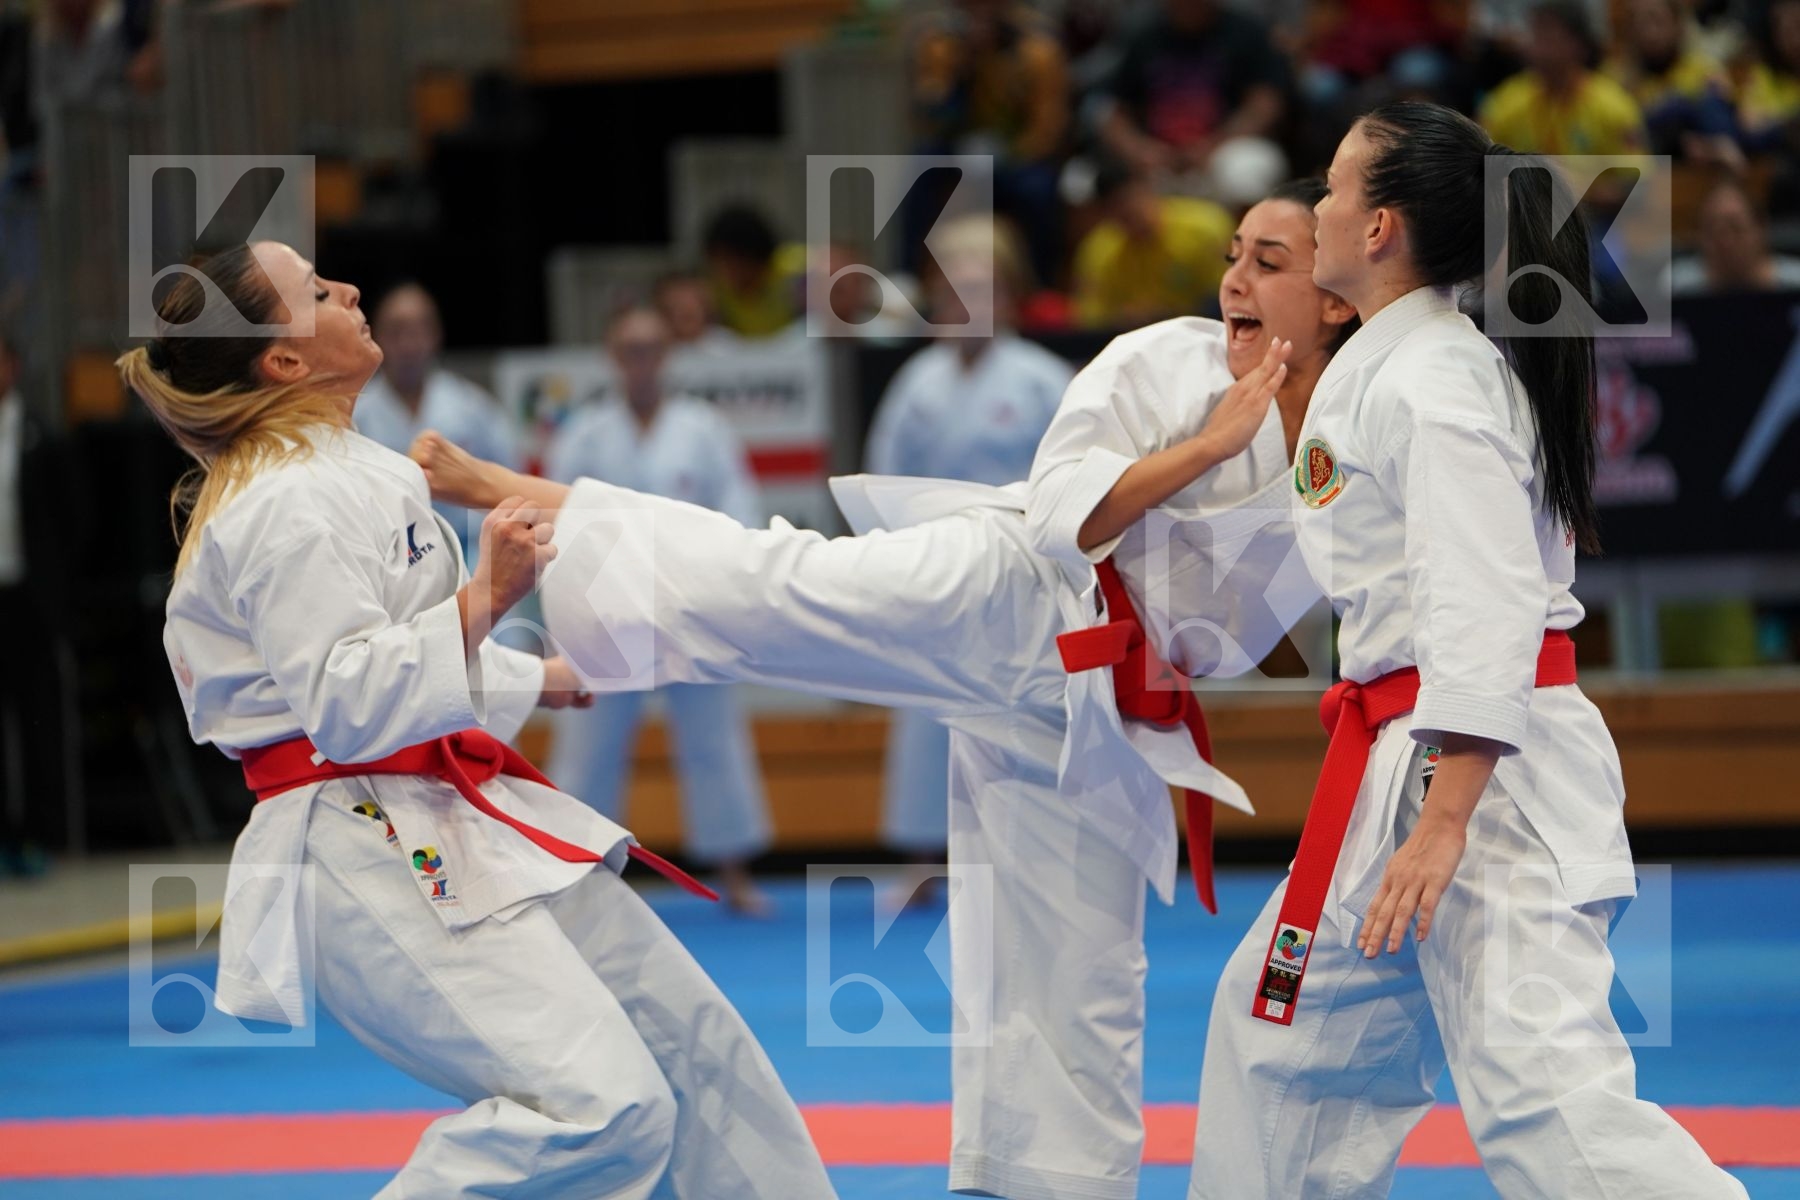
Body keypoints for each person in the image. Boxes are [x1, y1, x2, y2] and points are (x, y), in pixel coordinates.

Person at [413, 178, 1355, 1200]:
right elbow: (1063, 526)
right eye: (1232, 255)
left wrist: (1231, 627)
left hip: (1096, 709)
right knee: (778, 585)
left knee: (1077, 971)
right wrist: (1209, 448)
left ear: (1338, 294)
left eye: (1269, 262)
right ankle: (508, 488)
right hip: (1013, 591)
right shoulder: (1165, 360)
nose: (1234, 281)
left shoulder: (1352, 429)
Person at [119, 241, 835, 1199]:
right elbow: (346, 701)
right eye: (320, 291)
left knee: (697, 1054)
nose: (350, 291)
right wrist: (485, 600)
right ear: (283, 361)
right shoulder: (285, 503)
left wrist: (540, 675)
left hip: (453, 809)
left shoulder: (361, 473)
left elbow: (402, 658)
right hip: (362, 841)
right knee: (601, 1108)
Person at [1186, 100, 1745, 1199]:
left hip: (1480, 790)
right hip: (1405, 769)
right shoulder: (1392, 369)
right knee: (1281, 1050)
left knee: (1547, 1105)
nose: (1321, 204)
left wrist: (1445, 823)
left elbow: (1488, 604)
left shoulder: (1436, 383)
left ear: (1382, 226)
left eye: (1337, 188)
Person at [864, 216, 1073, 907]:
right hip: (934, 569)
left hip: (1025, 571)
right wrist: (883, 565)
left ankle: (1031, 863)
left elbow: (1077, 477)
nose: (967, 303)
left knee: (1025, 712)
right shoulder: (916, 386)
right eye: (953, 289)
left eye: (982, 288)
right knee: (929, 714)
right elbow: (881, 479)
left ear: (1009, 296)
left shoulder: (1045, 381)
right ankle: (926, 858)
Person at [545, 306, 774, 915]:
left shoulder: (703, 430)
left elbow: (738, 516)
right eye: (630, 349)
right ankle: (577, 877)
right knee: (588, 747)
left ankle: (737, 873)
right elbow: (554, 524)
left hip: (689, 609)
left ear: (667, 355)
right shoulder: (584, 435)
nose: (642, 361)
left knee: (714, 741)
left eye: (652, 348)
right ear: (613, 356)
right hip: (605, 616)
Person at [0, 329, 88, 876]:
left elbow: (77, 519)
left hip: (29, 600)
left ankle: (43, 836)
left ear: (12, 366)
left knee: (38, 722)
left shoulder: (41, 436)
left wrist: (58, 587)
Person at [909, 0, 1070, 286]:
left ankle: (1045, 283)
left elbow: (1048, 129)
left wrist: (1006, 156)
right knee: (921, 163)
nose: (979, 13)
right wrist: (960, 70)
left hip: (1016, 157)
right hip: (960, 152)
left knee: (1038, 191)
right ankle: (908, 276)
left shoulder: (1037, 48)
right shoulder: (942, 45)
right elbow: (930, 115)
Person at [355, 282, 519, 561]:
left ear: (435, 335)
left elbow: (511, 484)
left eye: (418, 331)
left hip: (470, 552)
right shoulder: (357, 415)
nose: (408, 344)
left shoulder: (472, 409)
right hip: (385, 556)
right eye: (396, 332)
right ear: (376, 338)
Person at [1092, 0, 1290, 207]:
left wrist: (1216, 144)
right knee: (1082, 180)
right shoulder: (1143, 34)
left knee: (1246, 169)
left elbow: (1266, 103)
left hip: (1221, 153)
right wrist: (1139, 150)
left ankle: (1244, 238)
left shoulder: (1245, 31)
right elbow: (1112, 112)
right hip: (1157, 159)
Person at [1072, 158, 1237, 329]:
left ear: (1146, 188)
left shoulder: (1206, 227)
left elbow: (1231, 295)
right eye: (1114, 208)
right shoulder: (1098, 250)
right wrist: (1121, 318)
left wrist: (1172, 315)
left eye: (1128, 201)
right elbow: (1091, 316)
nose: (1124, 212)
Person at [1478, 1, 1646, 157]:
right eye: (1535, 33)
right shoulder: (1505, 104)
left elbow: (1637, 178)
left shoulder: (1613, 108)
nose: (1538, 46)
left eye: (1548, 35)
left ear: (1579, 43)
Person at [1666, 178, 1800, 294]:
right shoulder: (1675, 286)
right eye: (1713, 230)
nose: (1725, 241)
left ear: (1761, 229)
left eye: (1736, 228)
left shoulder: (1795, 283)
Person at [701, 204, 807, 339]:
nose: (726, 272)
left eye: (732, 263)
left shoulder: (796, 270)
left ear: (755, 258)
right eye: (718, 263)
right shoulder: (713, 288)